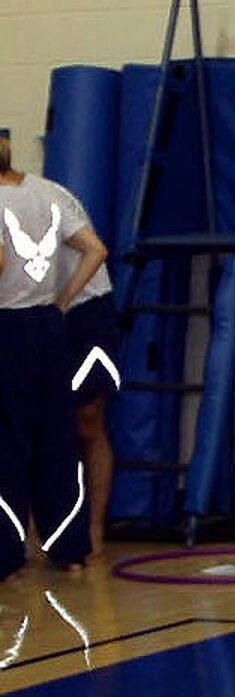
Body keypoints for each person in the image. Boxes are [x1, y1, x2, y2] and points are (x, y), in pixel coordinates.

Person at [0, 133, 105, 577]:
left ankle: (6, 552)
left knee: (7, 440)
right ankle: (69, 549)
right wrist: (62, 298)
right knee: (57, 438)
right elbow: (96, 249)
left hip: (6, 325)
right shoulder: (48, 192)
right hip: (48, 324)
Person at [59, 239, 121, 556]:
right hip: (26, 312)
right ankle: (33, 535)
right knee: (27, 425)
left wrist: (63, 301)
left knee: (89, 420)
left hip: (84, 308)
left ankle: (94, 530)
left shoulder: (55, 198)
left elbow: (97, 250)